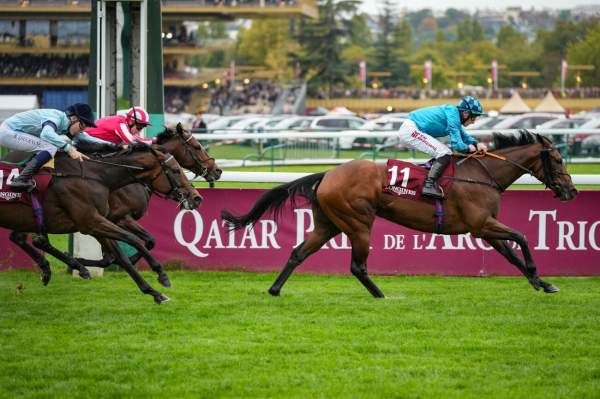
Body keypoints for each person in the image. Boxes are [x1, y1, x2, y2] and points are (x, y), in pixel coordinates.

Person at [0, 103, 107, 192]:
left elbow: (89, 138)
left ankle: (24, 171)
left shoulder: (69, 124)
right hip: (8, 132)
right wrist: (69, 148)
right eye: (83, 125)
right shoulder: (55, 117)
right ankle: (21, 180)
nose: (82, 130)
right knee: (50, 147)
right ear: (74, 118)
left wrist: (116, 145)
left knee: (52, 145)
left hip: (14, 132)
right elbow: (46, 134)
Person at [397, 95, 488, 199]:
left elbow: (463, 135)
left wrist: (476, 143)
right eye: (474, 117)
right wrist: (468, 148)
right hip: (411, 130)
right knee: (444, 152)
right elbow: (457, 145)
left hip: (413, 129)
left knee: (443, 152)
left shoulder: (454, 115)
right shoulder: (453, 114)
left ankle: (429, 179)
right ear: (465, 113)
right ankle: (428, 185)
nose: (474, 121)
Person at [84, 106, 154, 146]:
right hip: (85, 138)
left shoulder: (124, 122)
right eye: (140, 127)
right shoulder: (121, 123)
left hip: (92, 140)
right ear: (131, 121)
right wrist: (156, 140)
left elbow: (137, 139)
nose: (140, 130)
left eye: (143, 127)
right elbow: (132, 141)